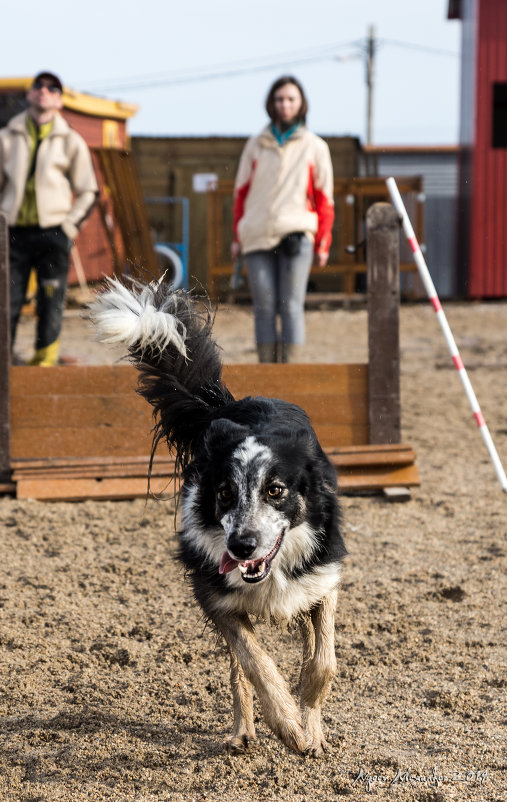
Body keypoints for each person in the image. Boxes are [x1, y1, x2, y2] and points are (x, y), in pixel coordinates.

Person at [231, 75, 334, 363]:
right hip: (256, 232)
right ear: (271, 104)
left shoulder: (315, 146)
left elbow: (325, 199)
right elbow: (241, 192)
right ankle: (267, 369)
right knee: (263, 306)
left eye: (291, 99)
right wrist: (237, 235)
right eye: (279, 99)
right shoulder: (255, 145)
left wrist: (323, 241)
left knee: (291, 305)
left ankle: (291, 370)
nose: (285, 104)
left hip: (297, 232)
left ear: (301, 104)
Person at [0, 71, 98, 365]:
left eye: (52, 87)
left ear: (60, 100)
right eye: (38, 86)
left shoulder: (71, 141)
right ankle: (5, 362)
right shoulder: (6, 137)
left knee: (51, 300)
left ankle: (44, 362)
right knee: (7, 302)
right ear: (30, 94)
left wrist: (68, 227)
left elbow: (88, 190)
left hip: (53, 233)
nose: (44, 91)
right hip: (13, 233)